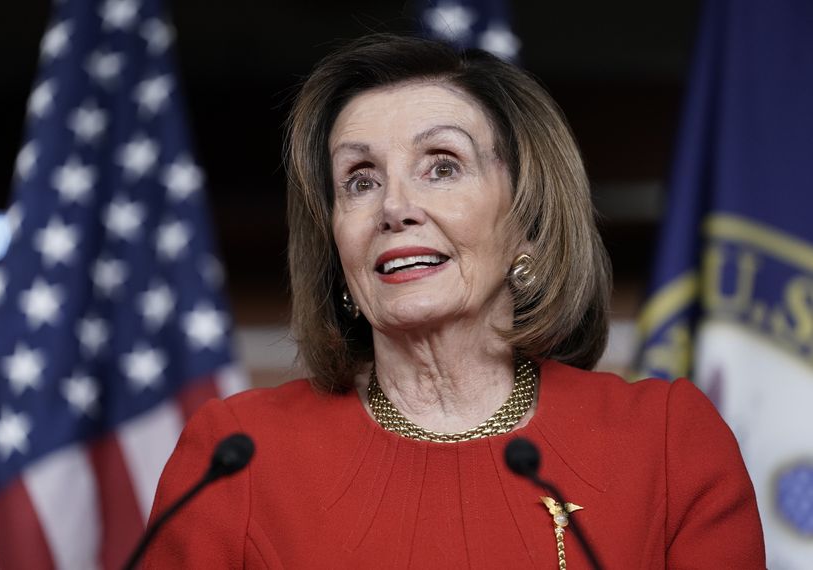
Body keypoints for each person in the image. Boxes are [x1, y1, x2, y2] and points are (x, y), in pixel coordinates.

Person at [143, 34, 765, 568]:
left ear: (528, 221)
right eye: (359, 180)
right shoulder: (239, 455)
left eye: (441, 166)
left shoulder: (665, 441)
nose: (393, 208)